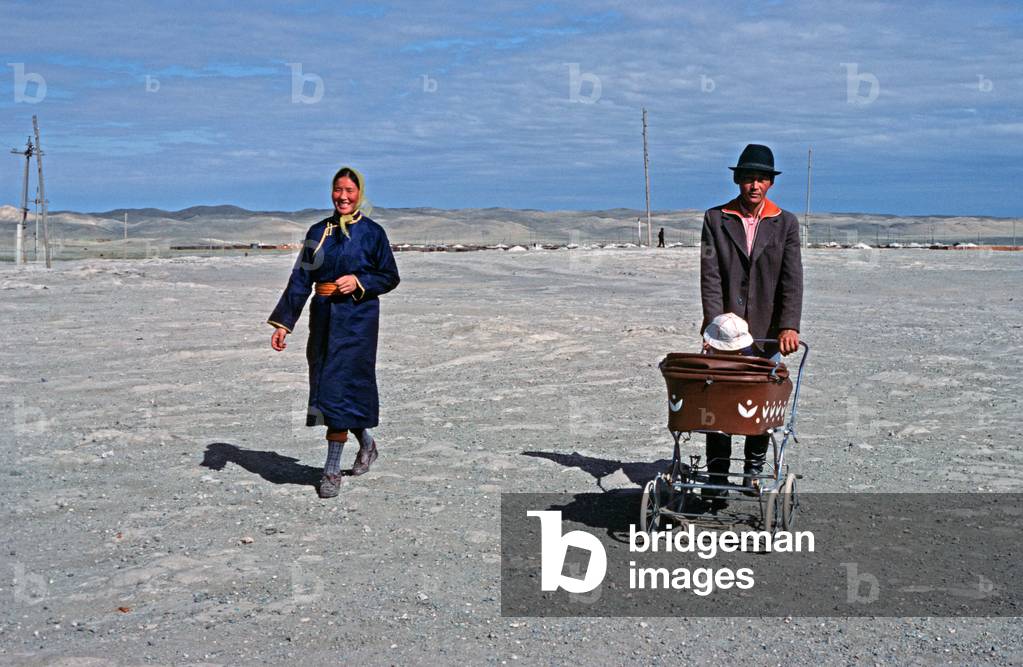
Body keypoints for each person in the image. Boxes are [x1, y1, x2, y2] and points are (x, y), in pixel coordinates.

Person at [268, 166, 400, 498]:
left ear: (360, 194)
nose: (343, 196)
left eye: (350, 191)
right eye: (337, 190)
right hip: (324, 317)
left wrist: (360, 282)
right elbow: (300, 280)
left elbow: (389, 276)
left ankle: (330, 471)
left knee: (343, 385)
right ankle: (367, 444)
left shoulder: (372, 233)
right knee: (330, 388)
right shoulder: (318, 232)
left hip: (358, 320)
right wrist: (285, 323)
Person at [699, 144, 803, 507]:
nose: (753, 185)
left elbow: (792, 279)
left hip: (768, 331)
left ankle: (753, 473)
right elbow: (710, 276)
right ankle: (716, 480)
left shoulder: (786, 223)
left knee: (760, 402)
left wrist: (789, 326)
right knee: (720, 402)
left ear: (770, 183)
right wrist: (715, 325)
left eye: (760, 178)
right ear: (737, 180)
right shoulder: (716, 218)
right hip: (725, 332)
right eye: (747, 178)